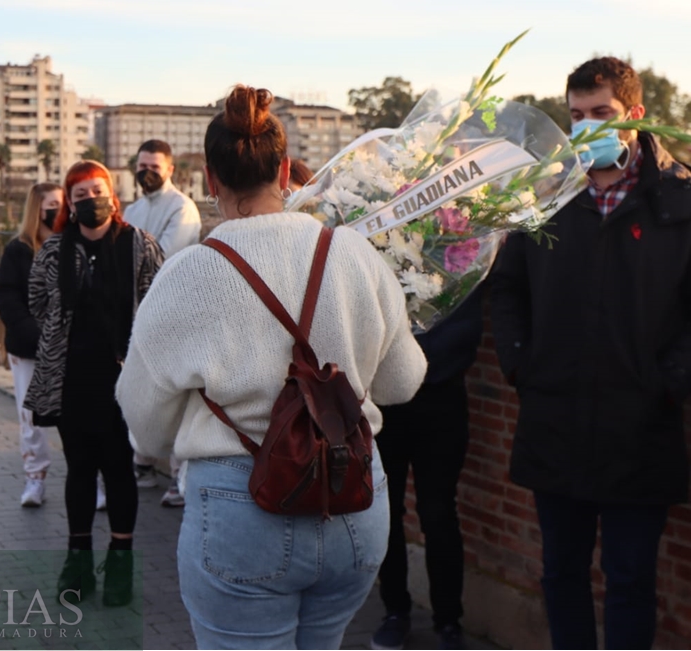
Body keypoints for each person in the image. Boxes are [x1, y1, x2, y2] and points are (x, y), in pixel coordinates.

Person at [117, 85, 427, 649]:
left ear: (210, 180)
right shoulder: (354, 253)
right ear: (284, 171)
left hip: (241, 508)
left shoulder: (187, 275)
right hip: (354, 498)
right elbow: (403, 382)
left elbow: (146, 427)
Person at [488, 57, 691, 650]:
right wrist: (520, 362)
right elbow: (507, 287)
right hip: (555, 416)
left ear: (636, 114)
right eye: (576, 116)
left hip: (641, 424)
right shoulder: (544, 194)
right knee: (561, 573)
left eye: (601, 113)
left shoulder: (678, 200)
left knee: (631, 580)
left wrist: (669, 380)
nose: (587, 127)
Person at [23, 160, 163, 607]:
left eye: (96, 191)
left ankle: (120, 562)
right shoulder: (55, 248)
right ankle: (78, 562)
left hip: (124, 377)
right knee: (80, 468)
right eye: (79, 195)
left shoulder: (138, 244)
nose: (90, 201)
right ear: (70, 202)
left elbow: (157, 294)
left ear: (112, 194)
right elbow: (38, 301)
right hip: (71, 377)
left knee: (120, 467)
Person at [369, 290, 483, 650]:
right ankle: (395, 612)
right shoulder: (375, 244)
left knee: (439, 513)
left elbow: (469, 319)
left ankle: (448, 621)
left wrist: (423, 363)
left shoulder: (460, 246)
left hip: (441, 394)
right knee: (387, 511)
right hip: (387, 399)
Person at [123, 139, 201, 507]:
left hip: (175, 314)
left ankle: (178, 477)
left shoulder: (182, 208)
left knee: (177, 395)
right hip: (136, 313)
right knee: (140, 387)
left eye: (155, 166)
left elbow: (163, 259)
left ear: (170, 170)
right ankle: (142, 461)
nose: (147, 171)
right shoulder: (133, 209)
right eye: (142, 165)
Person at [0, 182, 63, 507]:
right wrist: (37, 335)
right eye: (52, 204)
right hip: (30, 348)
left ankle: (92, 481)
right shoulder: (18, 251)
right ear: (38, 209)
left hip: (71, 348)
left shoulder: (74, 245)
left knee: (80, 418)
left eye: (63, 203)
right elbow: (8, 298)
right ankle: (34, 479)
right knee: (31, 417)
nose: (59, 210)